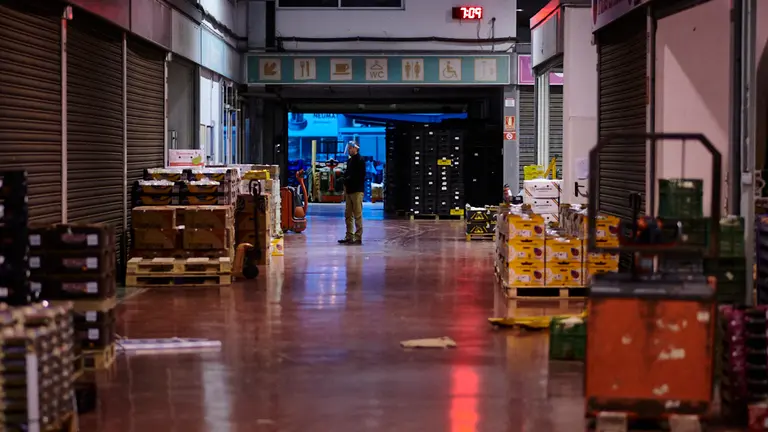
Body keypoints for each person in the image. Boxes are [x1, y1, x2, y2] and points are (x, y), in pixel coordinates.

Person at [338, 141, 366, 245]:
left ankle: (358, 237)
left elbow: (359, 176)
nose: (349, 150)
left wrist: (347, 179)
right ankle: (349, 235)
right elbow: (348, 173)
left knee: (357, 214)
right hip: (349, 191)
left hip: (357, 191)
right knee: (348, 214)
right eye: (348, 148)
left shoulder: (360, 160)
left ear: (356, 149)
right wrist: (343, 177)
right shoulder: (350, 161)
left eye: (350, 148)